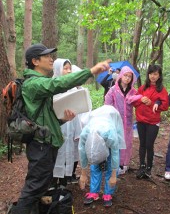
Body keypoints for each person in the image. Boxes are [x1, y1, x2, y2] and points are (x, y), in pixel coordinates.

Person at [11, 43, 110, 214]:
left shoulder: (38, 84)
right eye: (47, 56)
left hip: (46, 143)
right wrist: (91, 71)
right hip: (40, 145)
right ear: (35, 61)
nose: (52, 59)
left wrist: (63, 120)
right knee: (34, 188)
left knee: (41, 187)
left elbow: (44, 118)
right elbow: (59, 83)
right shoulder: (33, 84)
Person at [78, 105, 125, 207]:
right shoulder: (85, 135)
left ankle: (108, 193)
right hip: (97, 122)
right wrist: (83, 174)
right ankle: (94, 191)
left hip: (111, 121)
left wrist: (113, 176)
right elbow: (82, 152)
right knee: (95, 166)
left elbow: (115, 154)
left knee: (109, 162)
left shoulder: (111, 136)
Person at [133, 64, 169, 179]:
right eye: (151, 73)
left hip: (153, 121)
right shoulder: (142, 88)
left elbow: (165, 106)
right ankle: (141, 166)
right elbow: (134, 102)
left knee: (149, 144)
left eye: (155, 74)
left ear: (159, 76)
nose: (153, 76)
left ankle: (149, 167)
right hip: (141, 120)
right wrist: (141, 100)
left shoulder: (162, 90)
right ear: (148, 75)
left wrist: (152, 104)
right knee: (142, 144)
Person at [105, 66, 142, 174]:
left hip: (128, 122)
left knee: (126, 142)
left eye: (129, 77)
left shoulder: (133, 91)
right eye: (125, 75)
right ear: (121, 76)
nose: (127, 78)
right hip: (115, 121)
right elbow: (107, 104)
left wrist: (140, 99)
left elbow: (136, 103)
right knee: (114, 141)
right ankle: (112, 164)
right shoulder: (113, 90)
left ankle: (123, 164)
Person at [51, 59, 82, 187]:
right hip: (56, 127)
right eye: (65, 68)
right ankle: (52, 186)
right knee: (55, 156)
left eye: (70, 68)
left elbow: (78, 110)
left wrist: (78, 131)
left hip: (70, 127)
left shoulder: (72, 87)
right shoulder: (51, 85)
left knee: (67, 155)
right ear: (58, 69)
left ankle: (63, 185)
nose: (69, 71)